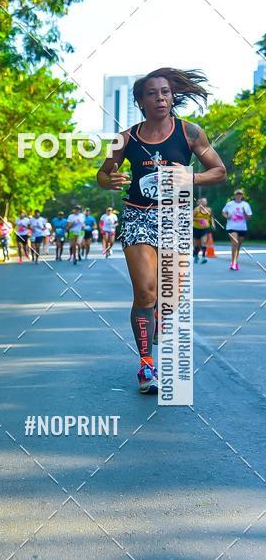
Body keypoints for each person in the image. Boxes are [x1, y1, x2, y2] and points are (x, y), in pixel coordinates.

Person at [97, 67, 226, 394]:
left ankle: (158, 319)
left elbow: (219, 171)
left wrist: (190, 178)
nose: (160, 98)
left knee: (169, 297)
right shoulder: (125, 138)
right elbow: (103, 173)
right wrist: (109, 180)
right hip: (138, 216)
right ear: (140, 101)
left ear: (172, 97)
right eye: (152, 93)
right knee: (145, 292)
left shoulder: (190, 133)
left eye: (165, 92)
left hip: (176, 217)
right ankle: (146, 364)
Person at [222, 189, 252, 270]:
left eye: (240, 194)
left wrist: (245, 214)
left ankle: (235, 261)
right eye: (237, 194)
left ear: (242, 196)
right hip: (231, 227)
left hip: (242, 228)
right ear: (234, 195)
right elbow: (223, 212)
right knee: (235, 243)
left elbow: (249, 218)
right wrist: (226, 216)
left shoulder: (246, 205)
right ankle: (233, 263)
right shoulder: (229, 204)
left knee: (238, 246)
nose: (239, 196)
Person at [192, 197, 214, 264]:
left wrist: (213, 224)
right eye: (202, 201)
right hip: (196, 228)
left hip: (205, 228)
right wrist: (199, 219)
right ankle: (196, 256)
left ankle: (203, 257)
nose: (204, 203)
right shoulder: (196, 210)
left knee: (203, 242)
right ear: (200, 202)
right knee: (197, 245)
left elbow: (211, 217)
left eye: (205, 201)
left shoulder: (209, 210)